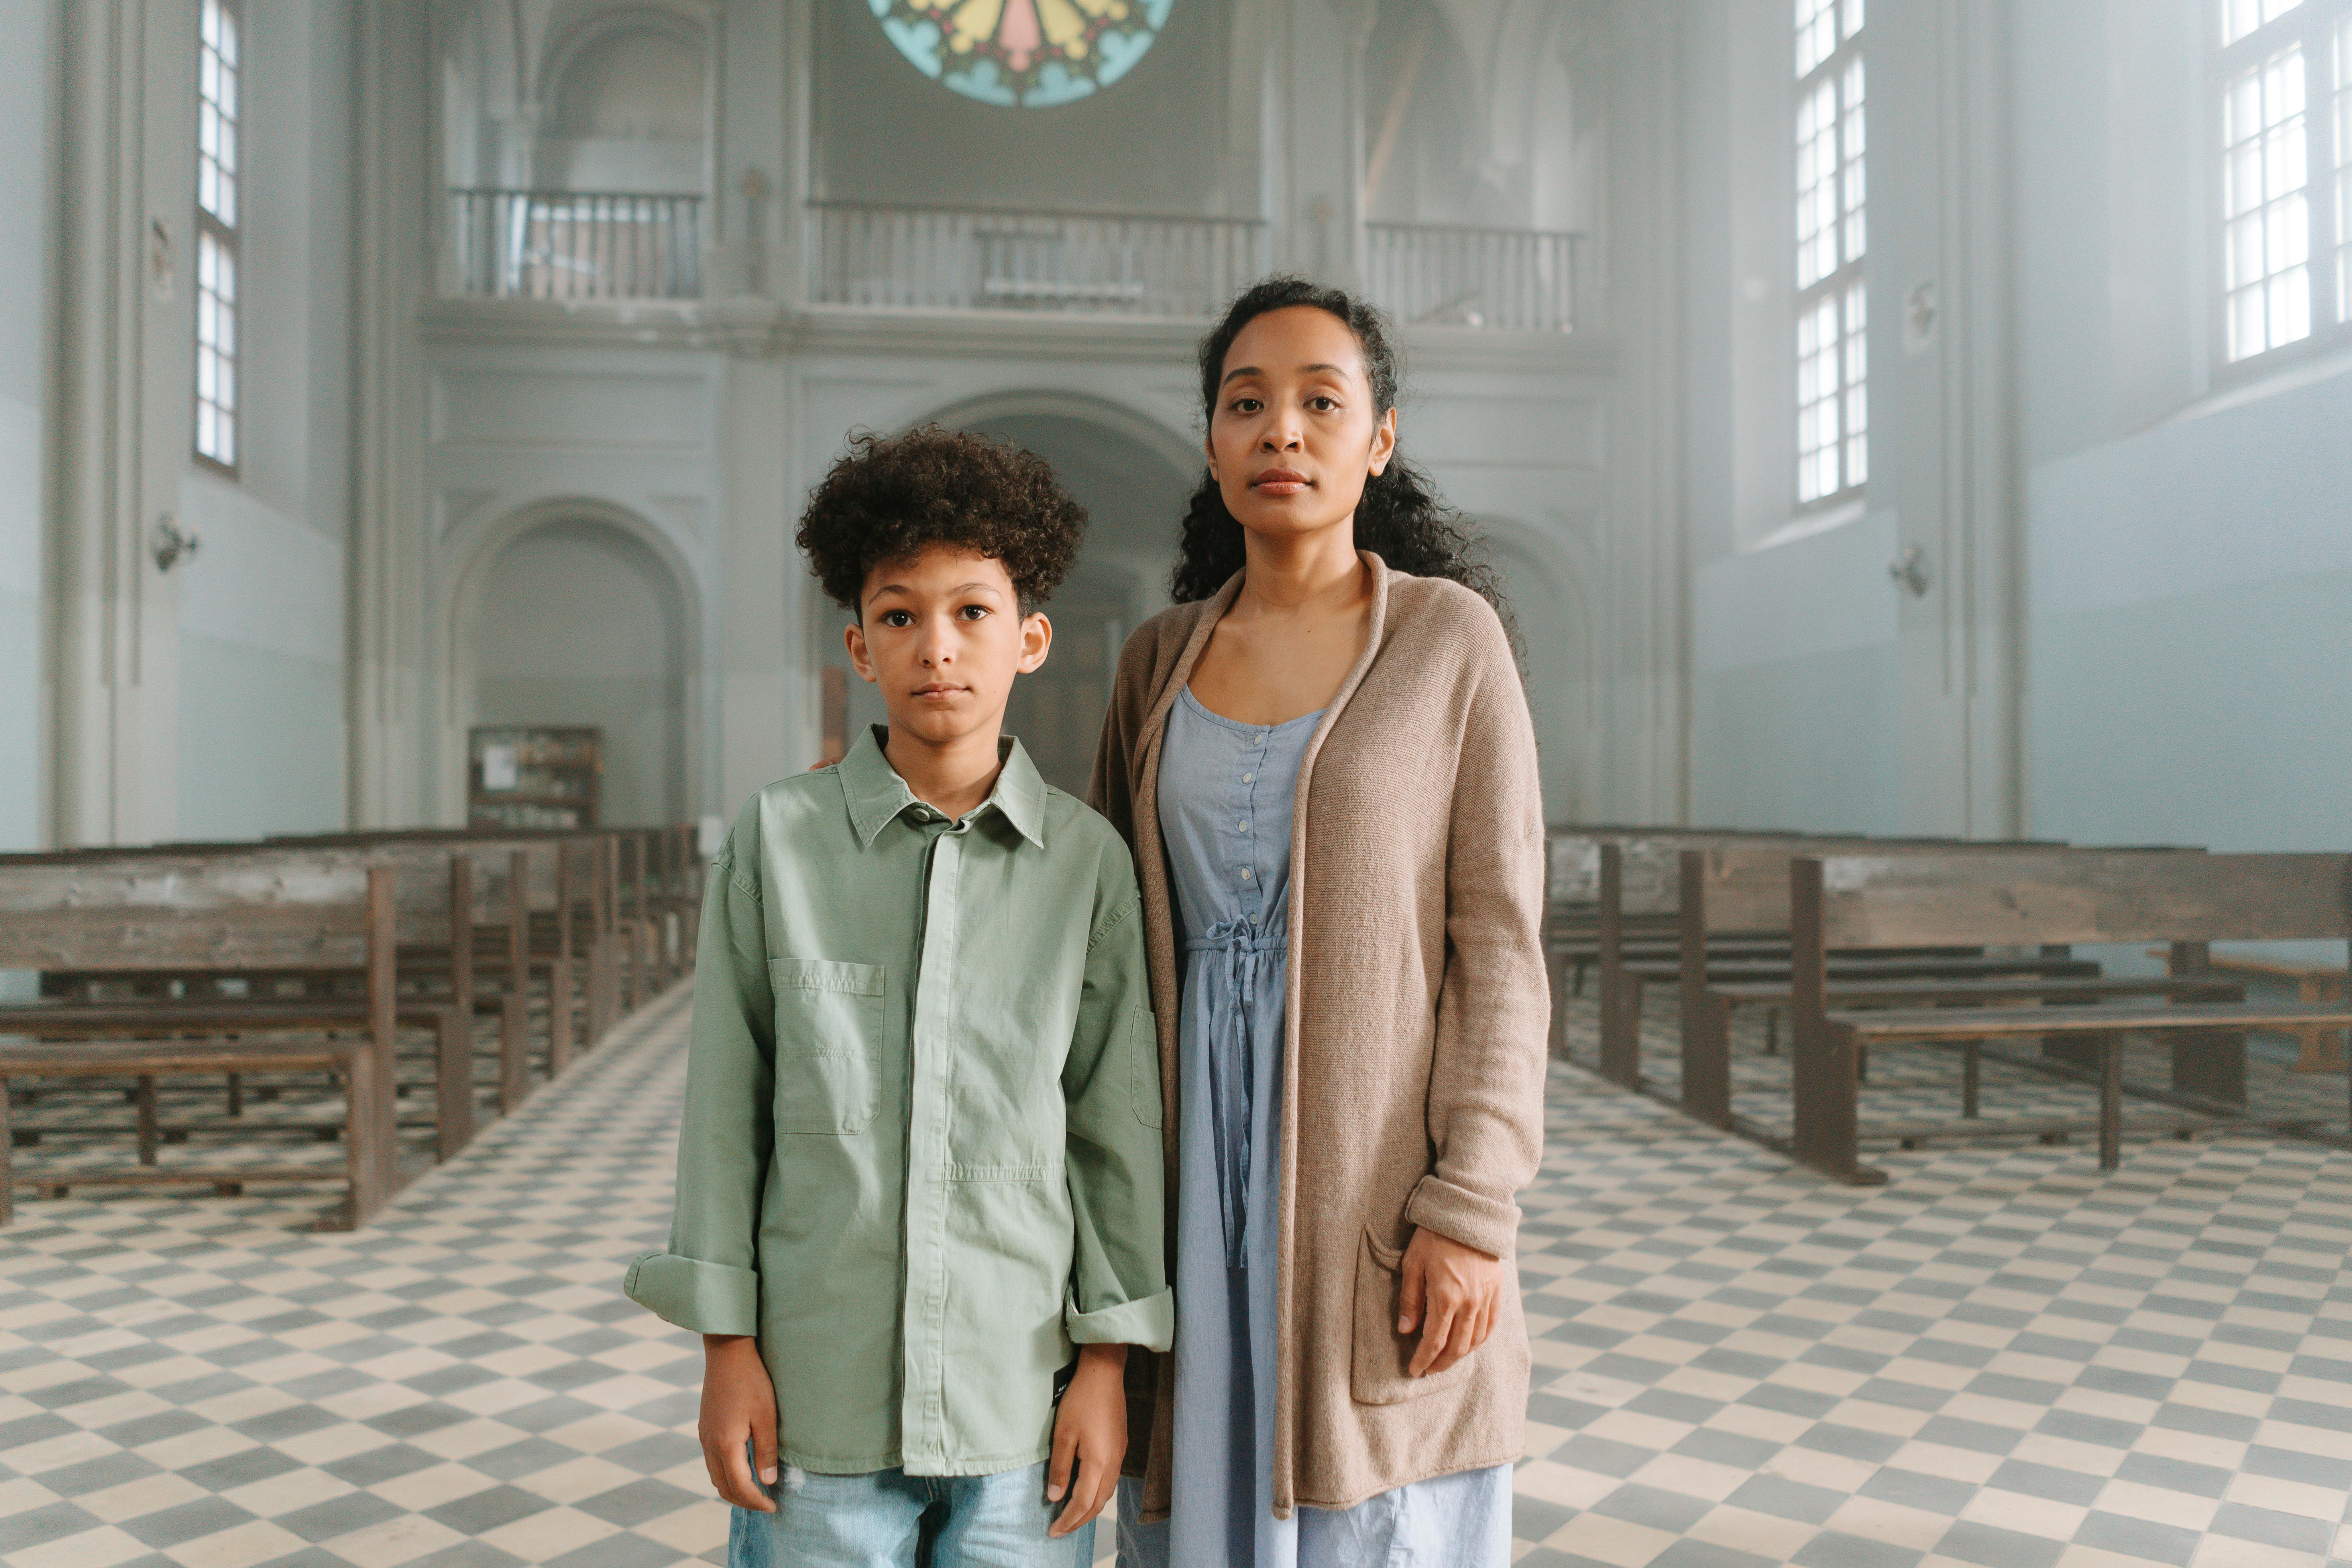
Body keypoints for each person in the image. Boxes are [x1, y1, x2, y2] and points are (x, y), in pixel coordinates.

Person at [626, 426, 1173, 1568]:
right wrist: (728, 1350)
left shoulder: (1087, 865)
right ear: (858, 649)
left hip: (1019, 1406)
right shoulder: (776, 842)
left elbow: (1112, 1134)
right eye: (899, 615)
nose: (938, 647)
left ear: (1030, 639)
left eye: (972, 612)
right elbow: (729, 1112)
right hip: (818, 1406)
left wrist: (1108, 1369)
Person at [1091, 279, 1549, 1567]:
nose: (1280, 431)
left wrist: (1470, 1206)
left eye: (1318, 403)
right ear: (1212, 442)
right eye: (1247, 405)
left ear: (1378, 441)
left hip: (1370, 1174)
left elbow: (1503, 947)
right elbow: (1107, 947)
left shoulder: (1449, 643)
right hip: (1189, 1173)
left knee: (1370, 1513)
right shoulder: (1156, 660)